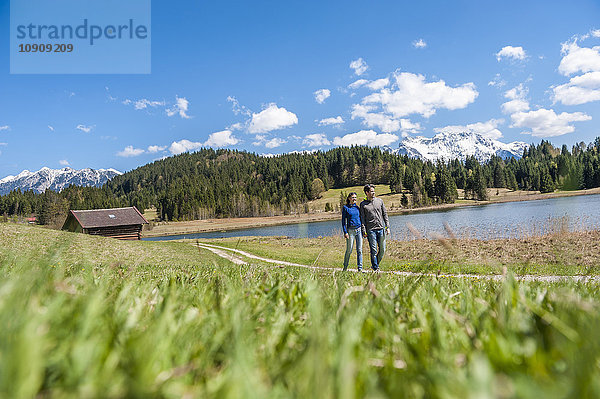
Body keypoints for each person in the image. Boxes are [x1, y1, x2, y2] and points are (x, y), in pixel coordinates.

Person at [360, 184, 390, 271]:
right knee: (373, 250)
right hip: (370, 230)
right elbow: (362, 218)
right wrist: (364, 230)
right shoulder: (363, 204)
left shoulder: (380, 201)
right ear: (367, 192)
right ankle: (376, 268)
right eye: (371, 191)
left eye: (374, 191)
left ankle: (374, 265)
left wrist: (387, 226)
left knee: (383, 249)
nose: (373, 193)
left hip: (381, 229)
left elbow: (385, 214)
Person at [341, 192, 363, 271]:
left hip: (359, 230)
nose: (354, 199)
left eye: (355, 197)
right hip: (350, 231)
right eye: (353, 197)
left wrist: (363, 230)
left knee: (359, 250)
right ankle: (345, 267)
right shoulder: (346, 208)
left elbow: (361, 218)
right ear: (349, 198)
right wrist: (345, 232)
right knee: (349, 250)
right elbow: (343, 221)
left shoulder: (357, 208)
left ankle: (360, 269)